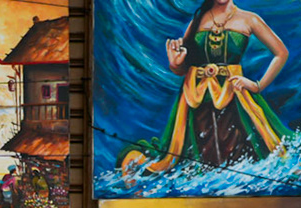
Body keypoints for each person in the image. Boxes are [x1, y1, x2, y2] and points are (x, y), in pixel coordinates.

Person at [122, 0, 291, 179]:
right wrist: (175, 64)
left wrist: (257, 86)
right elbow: (183, 68)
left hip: (234, 101)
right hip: (196, 102)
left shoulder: (250, 19)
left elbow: (281, 53)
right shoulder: (197, 22)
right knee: (198, 158)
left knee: (240, 154)